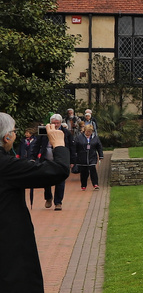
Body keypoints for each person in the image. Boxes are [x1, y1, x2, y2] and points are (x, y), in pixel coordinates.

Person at [0, 112, 72, 292]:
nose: (15, 136)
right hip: (10, 249)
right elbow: (57, 171)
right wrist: (59, 145)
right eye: (14, 131)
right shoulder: (5, 166)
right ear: (6, 136)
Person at [72, 124, 103, 190]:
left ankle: (95, 184)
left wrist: (101, 156)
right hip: (82, 158)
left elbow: (99, 147)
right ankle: (83, 185)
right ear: (84, 131)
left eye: (90, 131)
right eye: (87, 131)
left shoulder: (95, 137)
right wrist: (74, 156)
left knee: (93, 170)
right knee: (84, 172)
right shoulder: (79, 137)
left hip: (92, 157)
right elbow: (74, 147)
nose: (88, 133)